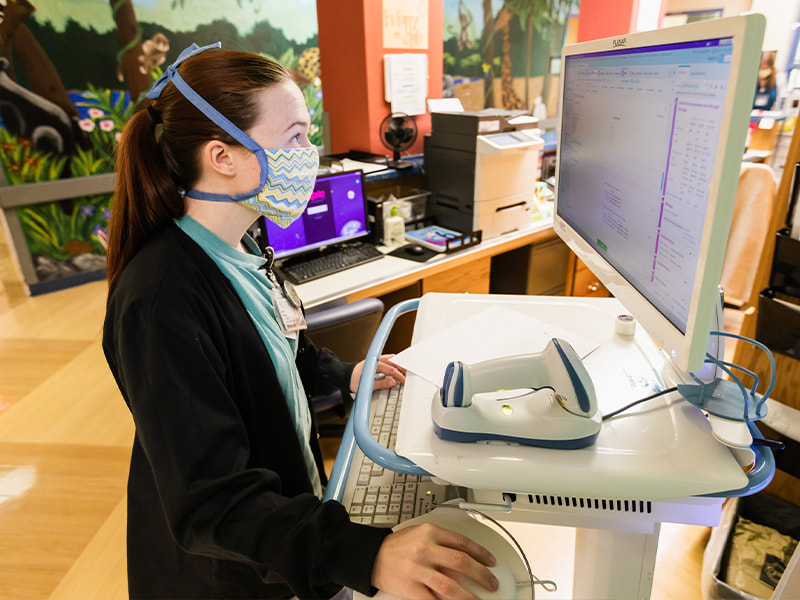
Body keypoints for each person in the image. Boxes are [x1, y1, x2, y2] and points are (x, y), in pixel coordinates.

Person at [102, 42, 500, 600]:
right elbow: (212, 503)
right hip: (232, 572)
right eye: (295, 139)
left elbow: (280, 350)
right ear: (223, 157)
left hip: (285, 530)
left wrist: (344, 376)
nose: (309, 153)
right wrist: (368, 554)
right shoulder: (160, 302)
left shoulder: (244, 245)